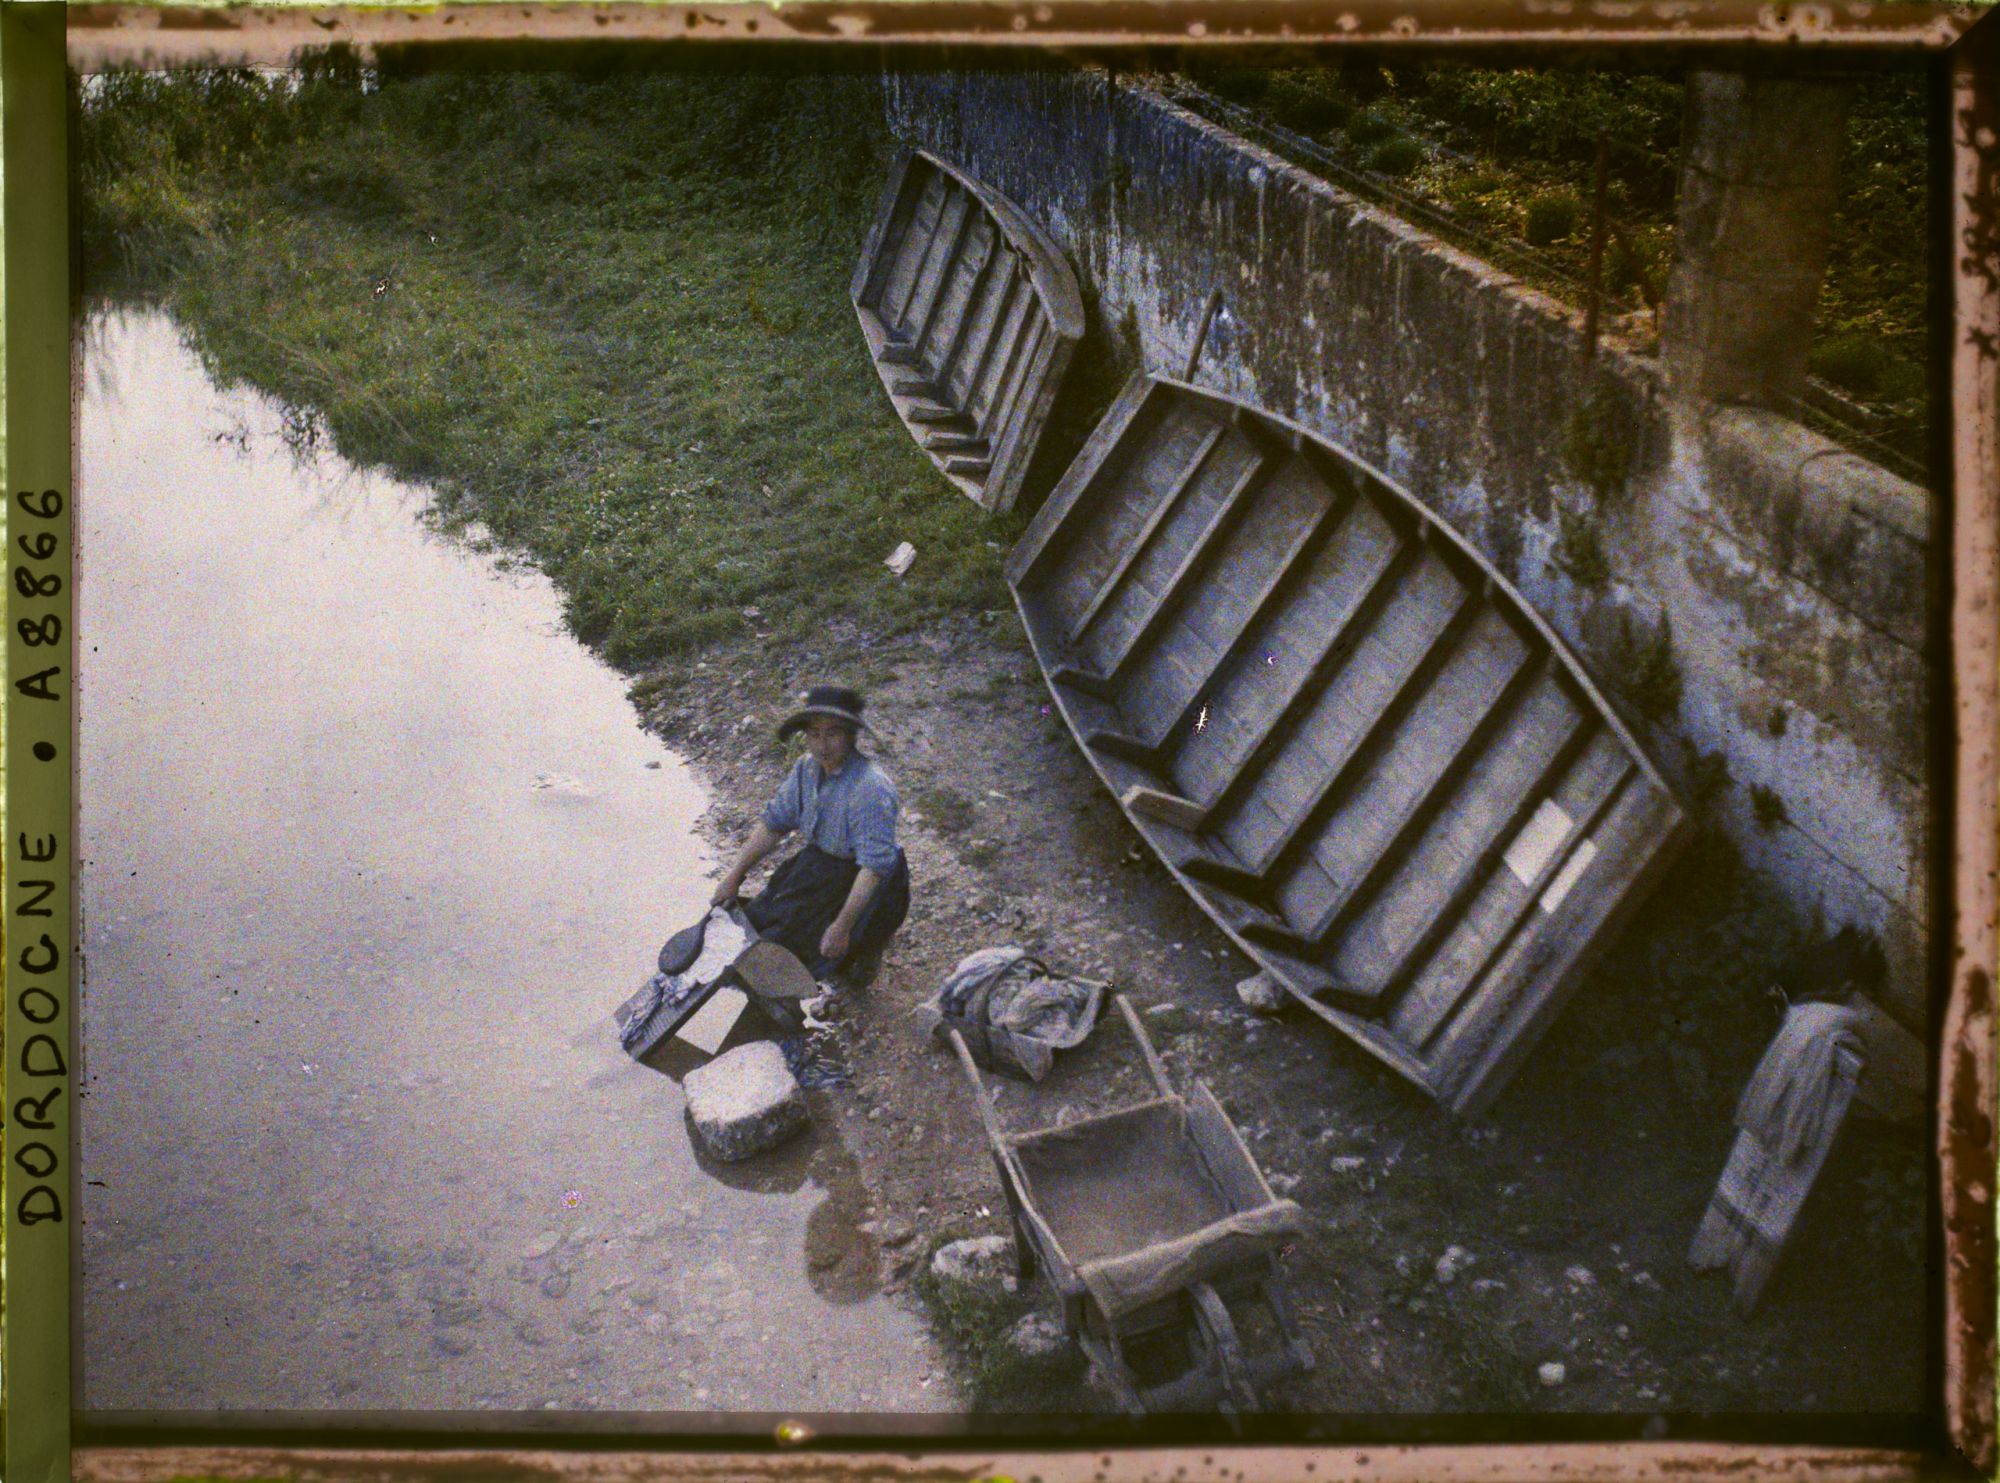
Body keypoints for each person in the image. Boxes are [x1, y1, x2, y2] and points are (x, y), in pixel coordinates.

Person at [712, 684, 910, 1003]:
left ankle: (866, 951)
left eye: (833, 734)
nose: (823, 745)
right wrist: (734, 875)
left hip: (868, 878)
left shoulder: (871, 788)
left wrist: (842, 926)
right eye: (815, 734)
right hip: (820, 863)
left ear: (850, 736)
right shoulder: (806, 768)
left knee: (834, 945)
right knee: (764, 925)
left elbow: (873, 867)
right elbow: (775, 821)